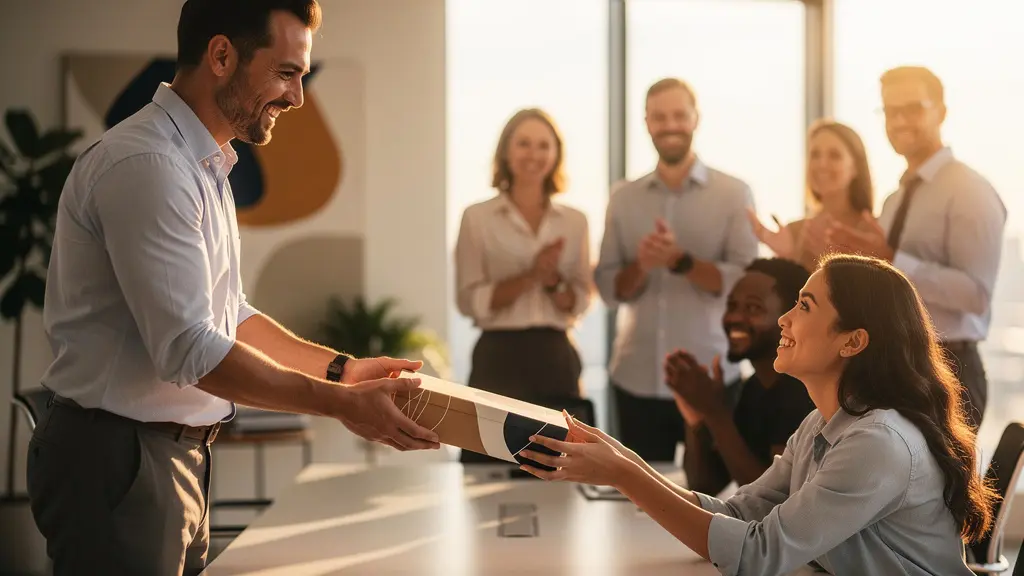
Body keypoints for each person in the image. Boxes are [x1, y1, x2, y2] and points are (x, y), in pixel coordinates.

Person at [27, 2, 439, 574]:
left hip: (167, 455)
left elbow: (230, 316)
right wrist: (339, 405)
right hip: (120, 460)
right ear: (222, 55)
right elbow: (190, 349)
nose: (297, 97)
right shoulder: (150, 164)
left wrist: (341, 370)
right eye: (287, 73)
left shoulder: (203, 164)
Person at [519, 254, 998, 576]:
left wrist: (623, 475)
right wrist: (621, 458)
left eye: (804, 306)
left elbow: (756, 554)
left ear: (852, 341)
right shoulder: (822, 425)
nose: (785, 319)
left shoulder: (878, 442)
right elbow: (735, 515)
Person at [826, 66, 1006, 430]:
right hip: (895, 364)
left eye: (913, 108)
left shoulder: (970, 191)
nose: (899, 121)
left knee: (934, 486)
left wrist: (893, 261)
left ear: (941, 111)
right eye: (891, 111)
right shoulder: (895, 199)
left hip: (951, 368)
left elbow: (975, 296)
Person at [594, 77, 758, 463]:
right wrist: (643, 265)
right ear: (647, 122)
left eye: (679, 115)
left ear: (695, 118)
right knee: (633, 502)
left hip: (712, 380)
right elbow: (607, 287)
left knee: (719, 501)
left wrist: (681, 262)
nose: (670, 125)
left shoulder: (734, 194)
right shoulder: (623, 198)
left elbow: (745, 284)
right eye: (659, 117)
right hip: (635, 379)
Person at [454, 108, 592, 404]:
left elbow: (580, 301)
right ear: (506, 151)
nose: (534, 154)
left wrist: (552, 282)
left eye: (544, 145)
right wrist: (531, 277)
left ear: (557, 154)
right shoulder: (476, 218)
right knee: (489, 450)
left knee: (560, 450)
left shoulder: (575, 221)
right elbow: (469, 301)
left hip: (557, 359)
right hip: (498, 359)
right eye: (524, 143)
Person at [665, 258, 814, 495]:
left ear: (790, 319)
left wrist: (715, 412)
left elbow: (770, 497)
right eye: (732, 306)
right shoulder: (754, 387)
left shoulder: (803, 391)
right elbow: (706, 485)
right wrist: (696, 417)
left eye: (753, 308)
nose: (734, 318)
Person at [746, 120, 874, 271]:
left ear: (855, 168)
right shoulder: (794, 231)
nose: (821, 164)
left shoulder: (871, 233)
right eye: (815, 155)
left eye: (834, 155)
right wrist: (788, 258)